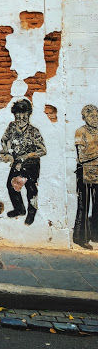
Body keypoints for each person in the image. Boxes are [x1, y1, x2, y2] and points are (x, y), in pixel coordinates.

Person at [0, 99, 46, 225]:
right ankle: (19, 209)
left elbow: (43, 150)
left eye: (23, 116)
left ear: (29, 115)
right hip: (16, 162)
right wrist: (7, 151)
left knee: (31, 189)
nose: (20, 119)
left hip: (31, 164)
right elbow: (4, 139)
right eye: (17, 117)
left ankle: (31, 214)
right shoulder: (11, 127)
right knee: (11, 186)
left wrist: (26, 156)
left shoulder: (34, 131)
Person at [73, 104, 98, 250]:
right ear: (84, 118)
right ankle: (81, 237)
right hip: (85, 172)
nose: (94, 119)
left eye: (96, 115)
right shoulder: (80, 132)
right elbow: (82, 157)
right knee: (84, 206)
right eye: (90, 116)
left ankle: (95, 234)